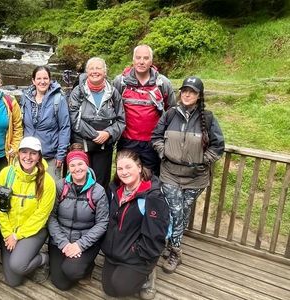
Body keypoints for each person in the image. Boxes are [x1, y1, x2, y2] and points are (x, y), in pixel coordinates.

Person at [151, 76, 225, 274]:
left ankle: (171, 246)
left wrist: (203, 161)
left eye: (192, 91)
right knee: (175, 211)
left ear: (199, 96)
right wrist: (163, 153)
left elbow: (218, 146)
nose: (187, 94)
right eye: (184, 90)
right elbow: (156, 137)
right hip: (170, 173)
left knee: (183, 211)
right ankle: (176, 250)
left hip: (196, 177)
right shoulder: (170, 114)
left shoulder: (207, 118)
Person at [101, 149, 169, 300]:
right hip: (115, 252)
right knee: (109, 289)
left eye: (128, 167)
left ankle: (149, 275)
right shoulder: (114, 190)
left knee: (120, 287)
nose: (124, 172)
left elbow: (155, 235)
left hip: (137, 255)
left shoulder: (152, 197)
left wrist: (137, 251)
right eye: (120, 168)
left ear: (139, 168)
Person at [0, 136, 56, 287]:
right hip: (9, 231)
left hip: (33, 231)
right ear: (18, 153)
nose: (28, 157)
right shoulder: (6, 174)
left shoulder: (47, 181)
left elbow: (41, 215)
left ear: (39, 156)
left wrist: (17, 235)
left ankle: (43, 259)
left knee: (18, 266)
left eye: (33, 153)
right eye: (24, 152)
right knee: (13, 281)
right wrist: (8, 233)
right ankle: (23, 255)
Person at [47, 145, 109, 290]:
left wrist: (79, 245)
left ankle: (87, 266)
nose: (77, 168)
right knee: (60, 283)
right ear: (68, 168)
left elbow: (102, 223)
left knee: (72, 271)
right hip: (61, 240)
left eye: (80, 163)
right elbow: (51, 216)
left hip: (86, 241)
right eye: (72, 165)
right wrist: (63, 243)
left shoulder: (98, 191)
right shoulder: (60, 186)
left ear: (87, 165)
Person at [113, 45, 176, 176]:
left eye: (146, 58)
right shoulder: (120, 82)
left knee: (151, 180)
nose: (141, 61)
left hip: (152, 143)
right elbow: (112, 109)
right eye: (138, 58)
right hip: (126, 141)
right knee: (125, 178)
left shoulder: (163, 83)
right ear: (133, 60)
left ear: (151, 61)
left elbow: (172, 112)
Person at [69, 57, 125, 190]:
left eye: (98, 68)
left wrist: (108, 133)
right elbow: (74, 118)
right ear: (86, 72)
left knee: (101, 183)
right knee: (80, 180)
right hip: (81, 145)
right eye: (91, 68)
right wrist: (95, 135)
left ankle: (101, 210)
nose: (95, 71)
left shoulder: (113, 94)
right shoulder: (77, 92)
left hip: (105, 147)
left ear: (105, 72)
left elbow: (121, 120)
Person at [20, 66, 70, 180]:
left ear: (50, 80)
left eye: (45, 78)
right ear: (33, 81)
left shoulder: (59, 99)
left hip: (50, 156)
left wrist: (61, 154)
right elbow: (20, 125)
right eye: (39, 78)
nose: (42, 81)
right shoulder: (25, 98)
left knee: (51, 191)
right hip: (29, 156)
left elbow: (65, 127)